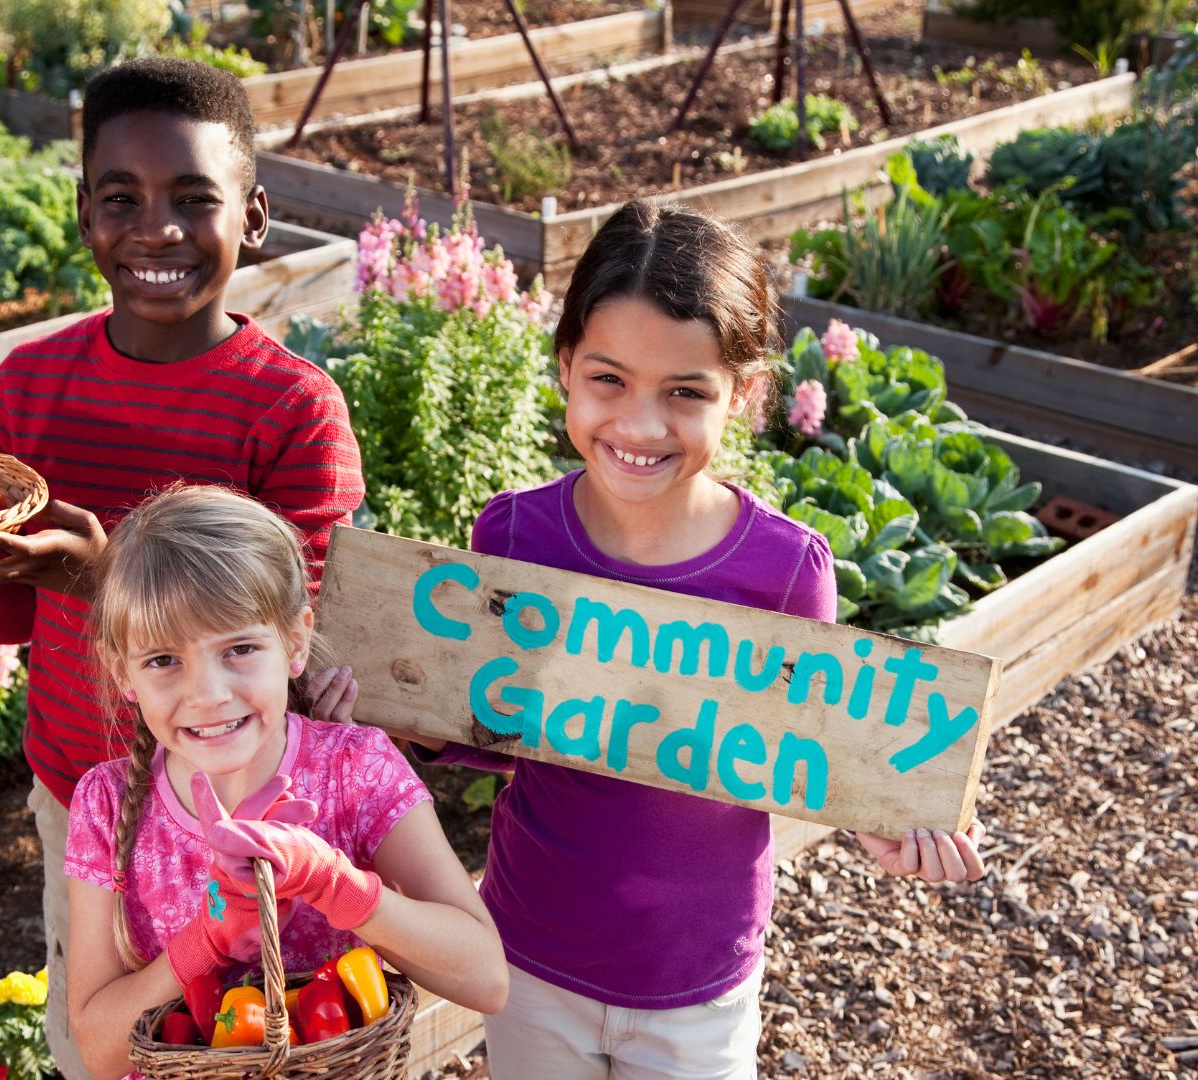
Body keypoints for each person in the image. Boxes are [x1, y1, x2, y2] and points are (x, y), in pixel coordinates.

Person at [416, 199, 989, 1079]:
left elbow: (797, 745)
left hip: (698, 980)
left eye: (685, 392)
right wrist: (423, 720)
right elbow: (503, 724)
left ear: (747, 394)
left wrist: (870, 814)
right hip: (530, 948)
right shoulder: (515, 536)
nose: (641, 427)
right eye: (609, 380)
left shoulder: (785, 571)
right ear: (566, 365)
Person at [0, 59, 366, 1078]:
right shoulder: (31, 387)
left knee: (245, 1039)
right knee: (99, 1038)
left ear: (256, 215)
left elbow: (285, 629)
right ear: (83, 216)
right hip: (80, 793)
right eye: (122, 200)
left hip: (242, 807)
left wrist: (110, 580)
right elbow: (13, 603)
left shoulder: (288, 407)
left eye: (195, 200)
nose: (157, 230)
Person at [59, 485, 506, 1078]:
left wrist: (334, 883)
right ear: (122, 671)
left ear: (295, 642)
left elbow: (485, 978)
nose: (208, 694)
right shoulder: (106, 804)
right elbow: (99, 1052)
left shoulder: (354, 768)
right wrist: (208, 941)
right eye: (163, 660)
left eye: (239, 648)